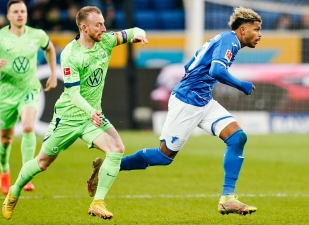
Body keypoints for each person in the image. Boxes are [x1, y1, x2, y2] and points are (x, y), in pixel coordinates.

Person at [88, 6, 261, 216]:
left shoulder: (225, 40)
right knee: (163, 157)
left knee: (237, 138)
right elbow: (216, 70)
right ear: (243, 30)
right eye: (256, 29)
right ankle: (110, 165)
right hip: (187, 102)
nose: (259, 34)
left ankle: (228, 199)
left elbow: (191, 64)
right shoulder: (231, 41)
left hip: (203, 100)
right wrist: (241, 85)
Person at [1, 5, 149, 221]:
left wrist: (140, 35)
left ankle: (97, 202)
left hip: (92, 117)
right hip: (69, 116)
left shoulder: (106, 41)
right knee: (42, 162)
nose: (104, 28)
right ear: (84, 27)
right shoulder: (71, 54)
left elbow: (133, 30)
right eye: (98, 25)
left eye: (104, 24)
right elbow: (73, 94)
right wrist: (90, 111)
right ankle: (14, 192)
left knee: (117, 148)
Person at [0, 0, 57, 195]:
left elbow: (50, 49)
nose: (20, 14)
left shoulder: (37, 35)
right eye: (16, 11)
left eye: (23, 11)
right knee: (6, 139)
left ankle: (26, 174)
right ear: (8, 16)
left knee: (29, 126)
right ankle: (4, 172)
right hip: (7, 94)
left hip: (29, 89)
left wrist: (53, 74)